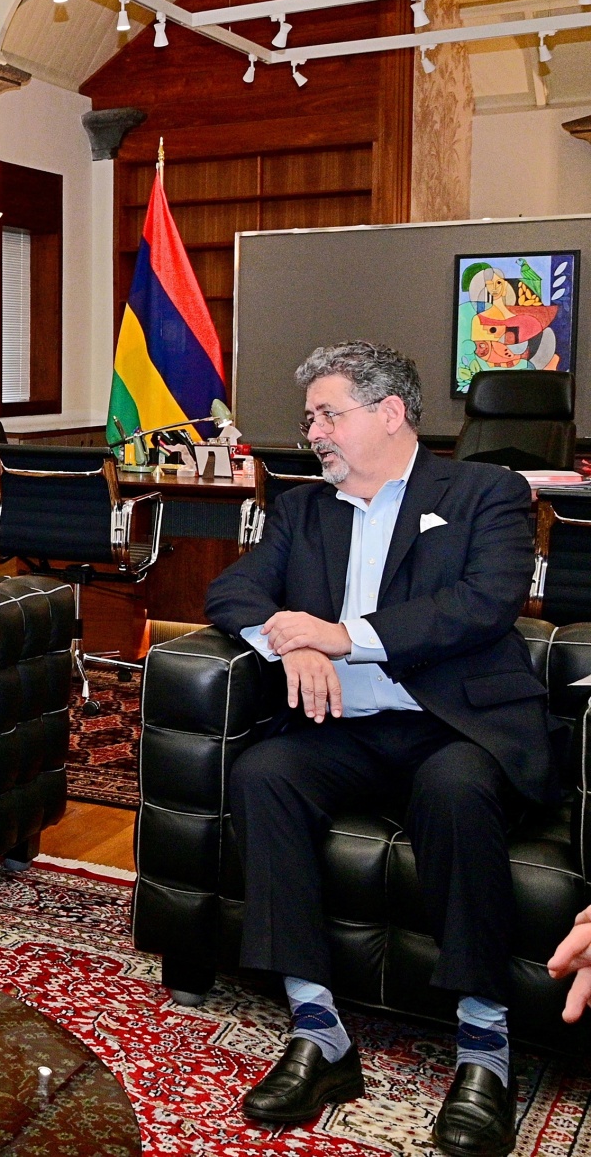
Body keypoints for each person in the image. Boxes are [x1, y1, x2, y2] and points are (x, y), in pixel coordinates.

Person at [206, 341, 548, 1157]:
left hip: (454, 726)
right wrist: (287, 644)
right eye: (311, 417)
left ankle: (484, 1045)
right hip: (348, 732)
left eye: (329, 413)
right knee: (262, 773)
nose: (313, 431)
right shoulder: (304, 507)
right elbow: (234, 590)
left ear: (389, 413)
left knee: (456, 791)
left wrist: (342, 635)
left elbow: (481, 605)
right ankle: (318, 1027)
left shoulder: (483, 492)